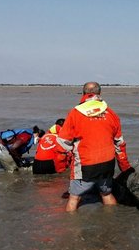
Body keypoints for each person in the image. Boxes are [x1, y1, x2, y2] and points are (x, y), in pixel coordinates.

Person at [57, 81, 134, 212]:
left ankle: (71, 230)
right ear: (100, 93)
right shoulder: (111, 113)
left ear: (83, 94)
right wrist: (125, 167)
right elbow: (119, 144)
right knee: (106, 194)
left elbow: (63, 143)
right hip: (108, 162)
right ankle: (111, 222)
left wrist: (64, 161)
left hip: (86, 163)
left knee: (74, 198)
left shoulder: (75, 113)